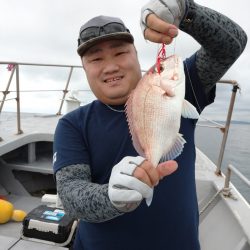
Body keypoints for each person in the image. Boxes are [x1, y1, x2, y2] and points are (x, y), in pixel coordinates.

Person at [53, 0, 247, 249]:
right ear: (84, 68)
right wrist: (111, 197)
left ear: (136, 53)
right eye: (96, 59)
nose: (110, 66)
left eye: (120, 52)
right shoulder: (72, 124)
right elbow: (70, 194)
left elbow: (231, 46)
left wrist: (186, 11)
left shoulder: (176, 86)